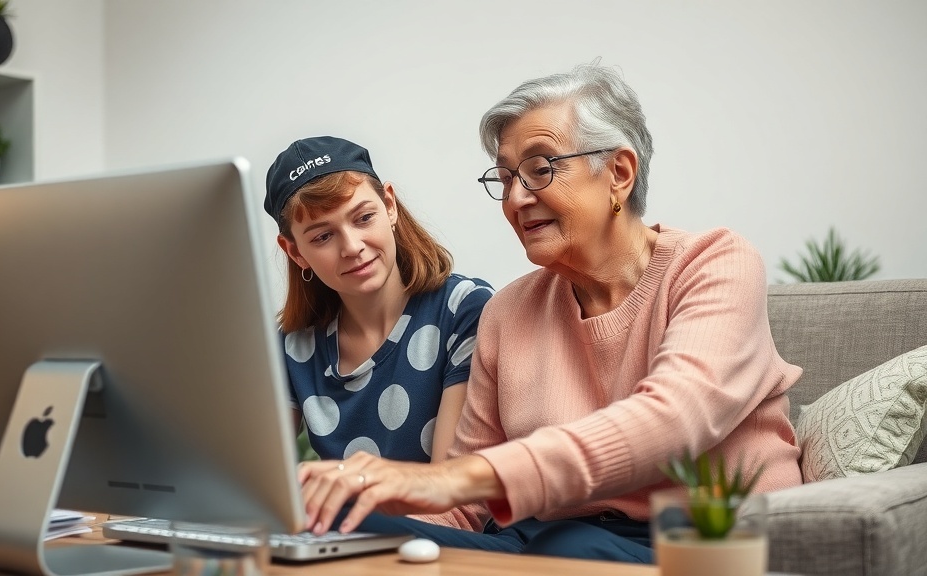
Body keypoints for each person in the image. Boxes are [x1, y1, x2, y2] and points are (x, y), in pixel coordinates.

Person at [295, 63, 804, 563]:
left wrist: (446, 477)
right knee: (342, 526)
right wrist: (360, 507)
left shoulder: (715, 263)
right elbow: (465, 512)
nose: (516, 198)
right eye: (505, 177)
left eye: (541, 169)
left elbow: (674, 419)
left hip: (696, 542)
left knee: (566, 545)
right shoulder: (507, 312)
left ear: (619, 174)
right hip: (539, 540)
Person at [264, 135, 494, 465]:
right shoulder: (291, 346)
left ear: (389, 206)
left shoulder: (465, 310)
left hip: (433, 518)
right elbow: (263, 483)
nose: (352, 246)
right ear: (296, 252)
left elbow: (451, 492)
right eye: (323, 236)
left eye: (363, 218)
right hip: (342, 519)